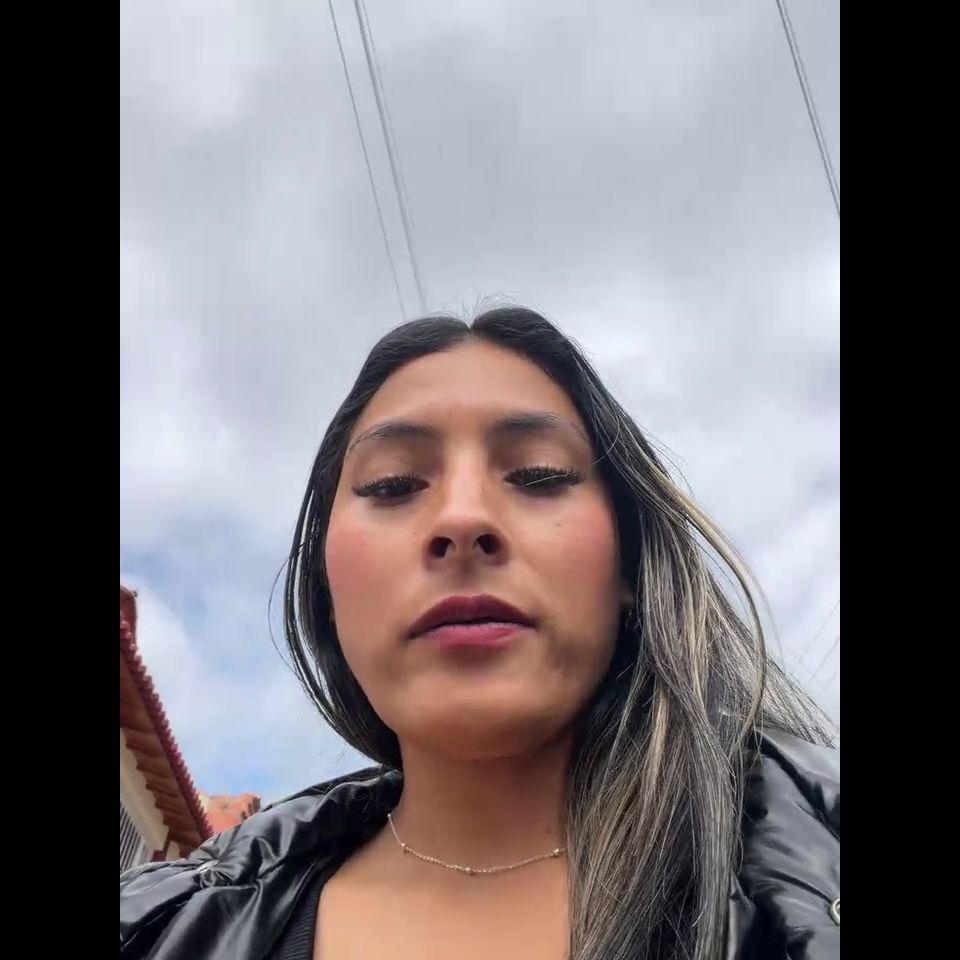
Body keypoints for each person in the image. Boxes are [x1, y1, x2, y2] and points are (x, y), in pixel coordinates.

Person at [120, 307, 839, 960]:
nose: (463, 518)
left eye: (538, 474)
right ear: (328, 593)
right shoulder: (163, 933)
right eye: (393, 484)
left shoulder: (817, 863)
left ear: (629, 565)